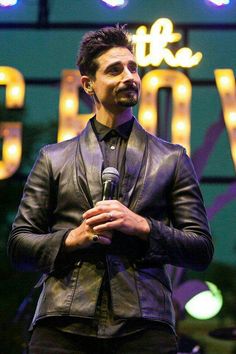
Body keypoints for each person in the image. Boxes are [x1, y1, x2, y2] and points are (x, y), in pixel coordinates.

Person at [8, 25, 213, 354]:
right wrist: (71, 239)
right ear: (88, 84)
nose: (129, 76)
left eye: (133, 68)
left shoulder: (171, 159)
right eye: (115, 69)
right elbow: (19, 246)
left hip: (145, 323)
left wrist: (143, 226)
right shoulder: (53, 158)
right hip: (62, 322)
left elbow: (200, 249)